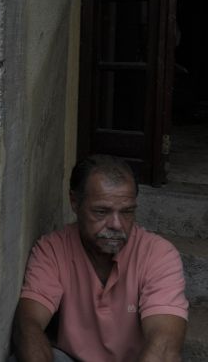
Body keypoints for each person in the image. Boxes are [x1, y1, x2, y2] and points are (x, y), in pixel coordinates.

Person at [12, 155, 188, 362]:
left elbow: (164, 345)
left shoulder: (158, 254)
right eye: (101, 211)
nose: (116, 224)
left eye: (127, 212)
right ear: (75, 202)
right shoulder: (52, 249)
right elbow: (28, 324)